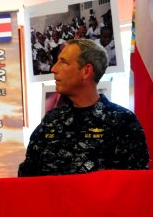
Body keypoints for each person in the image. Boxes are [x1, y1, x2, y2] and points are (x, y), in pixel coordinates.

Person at [18, 39, 150, 177]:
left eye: (63, 62)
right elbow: (27, 176)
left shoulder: (122, 122)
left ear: (86, 71)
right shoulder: (51, 121)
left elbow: (134, 185)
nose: (54, 69)